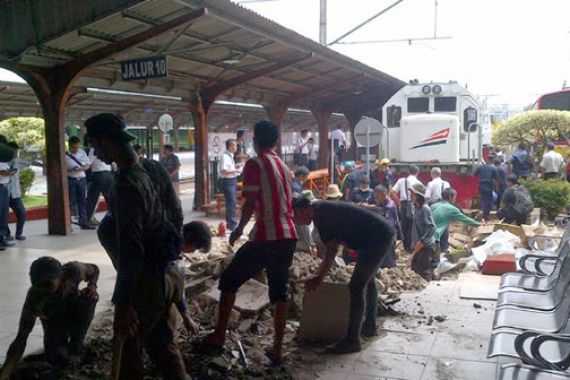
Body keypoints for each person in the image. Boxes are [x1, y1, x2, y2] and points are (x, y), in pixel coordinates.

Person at [85, 113, 187, 379]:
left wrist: (123, 303)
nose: (96, 152)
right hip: (166, 272)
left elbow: (132, 250)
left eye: (96, 146)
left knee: (130, 348)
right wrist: (169, 260)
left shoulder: (126, 183)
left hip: (145, 280)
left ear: (106, 141)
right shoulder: (153, 168)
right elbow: (177, 215)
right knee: (162, 344)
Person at [204, 120, 297, 365]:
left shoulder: (255, 163)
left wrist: (238, 230)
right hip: (288, 236)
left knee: (229, 281)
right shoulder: (283, 165)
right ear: (276, 141)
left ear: (255, 141)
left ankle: (219, 335)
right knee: (279, 292)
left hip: (266, 236)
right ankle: (277, 349)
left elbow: (250, 203)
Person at [293, 199, 395, 354]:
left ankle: (352, 340)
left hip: (377, 239)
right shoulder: (321, 209)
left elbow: (331, 252)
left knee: (356, 286)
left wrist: (318, 277)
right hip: (378, 233)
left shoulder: (321, 217)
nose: (297, 220)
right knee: (368, 280)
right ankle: (369, 326)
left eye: (297, 215)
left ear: (307, 208)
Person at [0, 257, 99, 378]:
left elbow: (94, 269)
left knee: (87, 300)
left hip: (76, 311)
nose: (42, 290)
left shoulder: (74, 270)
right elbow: (21, 338)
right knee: (57, 356)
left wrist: (92, 286)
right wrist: (5, 372)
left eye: (47, 285)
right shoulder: (34, 297)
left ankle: (76, 344)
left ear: (61, 277)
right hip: (54, 320)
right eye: (38, 286)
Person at [363, 185, 401, 268]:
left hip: (388, 235)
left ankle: (391, 270)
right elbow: (378, 208)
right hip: (384, 235)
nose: (376, 198)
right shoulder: (383, 203)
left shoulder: (389, 206)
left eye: (377, 196)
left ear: (382, 194)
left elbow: (389, 224)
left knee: (389, 257)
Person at [432, 188, 480, 253]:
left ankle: (444, 250)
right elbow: (465, 219)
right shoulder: (451, 208)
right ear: (450, 197)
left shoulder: (433, 206)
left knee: (445, 227)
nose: (455, 199)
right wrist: (479, 224)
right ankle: (444, 251)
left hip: (427, 235)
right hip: (436, 236)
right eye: (454, 197)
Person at [408, 183, 438, 280]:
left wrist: (422, 240)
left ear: (418, 195)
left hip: (425, 246)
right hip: (419, 245)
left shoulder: (425, 209)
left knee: (423, 272)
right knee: (416, 269)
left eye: (412, 194)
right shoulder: (417, 208)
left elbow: (432, 227)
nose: (410, 195)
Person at [66, 136, 93, 230]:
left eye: (77, 147)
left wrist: (83, 168)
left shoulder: (82, 152)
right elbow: (68, 167)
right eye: (74, 147)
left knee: (82, 201)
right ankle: (68, 223)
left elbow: (88, 164)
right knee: (71, 202)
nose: (76, 149)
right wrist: (78, 168)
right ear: (70, 146)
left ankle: (84, 222)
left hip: (81, 179)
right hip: (71, 180)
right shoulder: (66, 155)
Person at [393, 165, 422, 252]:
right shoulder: (418, 183)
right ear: (417, 173)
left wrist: (399, 203)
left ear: (408, 172)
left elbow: (392, 192)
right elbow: (422, 196)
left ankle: (406, 246)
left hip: (404, 204)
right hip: (414, 204)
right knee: (413, 226)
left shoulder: (402, 180)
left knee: (404, 226)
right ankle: (411, 246)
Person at [85, 138, 113, 226]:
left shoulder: (94, 150)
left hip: (99, 175)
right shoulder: (107, 147)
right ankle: (114, 217)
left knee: (92, 197)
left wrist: (81, 168)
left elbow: (88, 163)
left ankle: (87, 218)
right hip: (109, 174)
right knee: (110, 198)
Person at [219, 139, 243, 231]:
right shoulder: (225, 157)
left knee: (232, 202)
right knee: (231, 202)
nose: (235, 148)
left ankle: (231, 223)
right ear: (229, 147)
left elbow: (229, 168)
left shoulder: (230, 156)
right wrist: (236, 170)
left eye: (236, 146)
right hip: (227, 181)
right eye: (233, 146)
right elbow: (223, 170)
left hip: (232, 180)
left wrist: (237, 165)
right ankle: (231, 224)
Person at [6, 142, 26, 241]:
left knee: (21, 213)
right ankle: (7, 234)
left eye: (16, 151)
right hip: (4, 192)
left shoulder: (16, 161)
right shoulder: (3, 161)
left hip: (14, 193)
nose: (15, 152)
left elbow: (13, 171)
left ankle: (19, 233)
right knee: (3, 215)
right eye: (14, 150)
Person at [474, 155, 498, 222]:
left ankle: (482, 216)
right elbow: (496, 180)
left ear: (486, 159)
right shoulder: (494, 168)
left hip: (481, 185)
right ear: (492, 160)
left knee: (482, 199)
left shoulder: (480, 167)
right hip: (488, 186)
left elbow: (474, 174)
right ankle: (485, 217)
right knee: (488, 202)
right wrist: (497, 188)